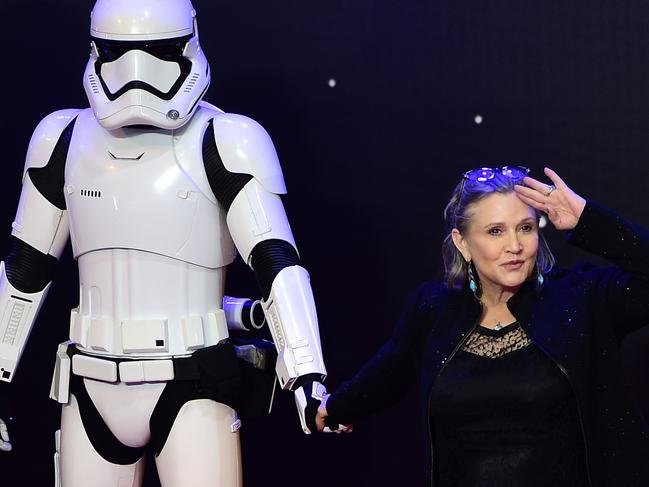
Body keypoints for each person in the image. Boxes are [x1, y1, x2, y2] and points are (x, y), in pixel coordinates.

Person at [0, 0, 330, 485]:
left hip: (191, 382)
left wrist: (306, 373)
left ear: (185, 47)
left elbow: (275, 262)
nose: (136, 74)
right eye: (119, 52)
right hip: (88, 379)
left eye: (155, 51)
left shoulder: (226, 139)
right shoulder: (63, 137)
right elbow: (24, 268)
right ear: (97, 49)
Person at [316, 166, 649, 487]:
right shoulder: (434, 310)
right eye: (495, 231)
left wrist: (588, 219)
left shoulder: (582, 297)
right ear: (462, 243)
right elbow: (390, 370)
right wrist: (337, 406)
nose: (514, 246)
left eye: (526, 228)